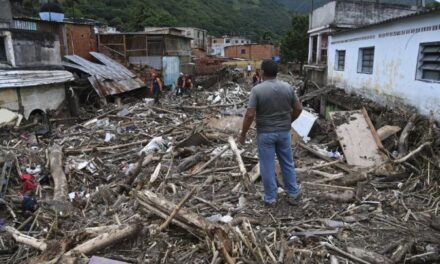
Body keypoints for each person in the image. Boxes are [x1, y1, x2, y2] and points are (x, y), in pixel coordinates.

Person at [239, 60, 303, 206]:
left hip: (265, 133)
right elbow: (299, 108)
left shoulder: (257, 90)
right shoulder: (287, 87)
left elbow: (249, 115)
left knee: (267, 165)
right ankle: (293, 192)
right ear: (276, 72)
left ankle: (270, 198)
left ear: (262, 72)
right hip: (284, 132)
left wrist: (243, 134)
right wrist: (289, 121)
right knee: (287, 162)